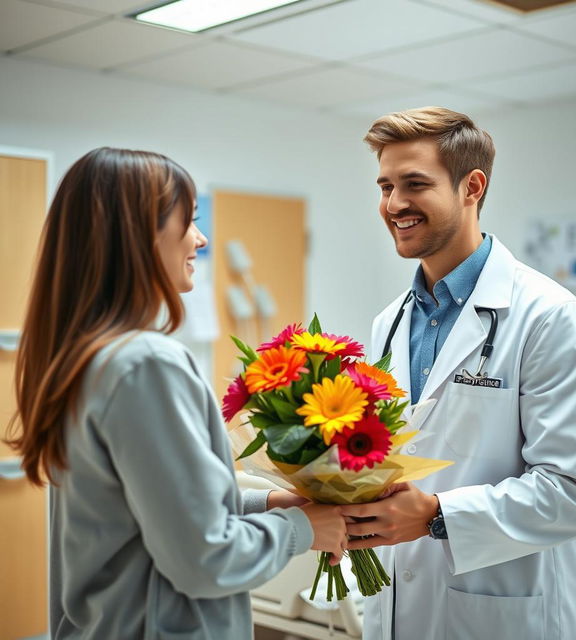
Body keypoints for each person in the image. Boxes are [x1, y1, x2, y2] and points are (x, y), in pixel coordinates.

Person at [5, 147, 346, 640]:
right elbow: (205, 560)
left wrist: (269, 504)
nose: (201, 240)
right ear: (139, 234)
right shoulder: (147, 365)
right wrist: (305, 530)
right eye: (189, 221)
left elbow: (147, 513)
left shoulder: (81, 360)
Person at [341, 107, 576, 640]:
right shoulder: (389, 323)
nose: (394, 204)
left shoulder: (550, 318)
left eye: (414, 184)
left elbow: (575, 494)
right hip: (399, 604)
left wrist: (437, 515)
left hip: (504, 614)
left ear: (472, 186)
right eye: (385, 185)